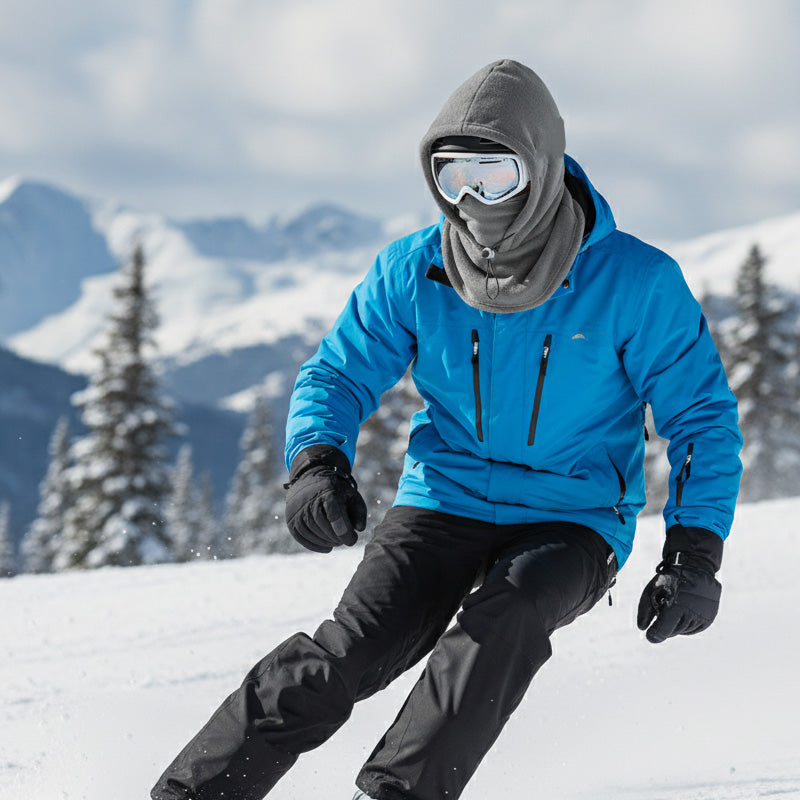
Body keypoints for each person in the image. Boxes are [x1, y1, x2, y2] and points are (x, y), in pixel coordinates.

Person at [151, 59, 742, 800]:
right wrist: (315, 458)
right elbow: (336, 372)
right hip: (443, 500)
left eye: (494, 177)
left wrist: (695, 551)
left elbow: (700, 417)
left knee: (503, 621)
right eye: (454, 177)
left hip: (572, 518)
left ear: (541, 166)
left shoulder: (632, 281)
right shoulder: (416, 267)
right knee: (347, 652)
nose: (472, 200)